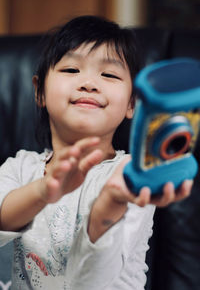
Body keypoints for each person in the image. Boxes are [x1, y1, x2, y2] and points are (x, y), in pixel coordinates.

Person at [0, 15, 192, 290]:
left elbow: (94, 281)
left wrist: (109, 206)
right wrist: (44, 191)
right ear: (39, 91)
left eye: (109, 74)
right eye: (71, 70)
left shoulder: (129, 175)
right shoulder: (20, 167)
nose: (89, 83)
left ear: (132, 103)